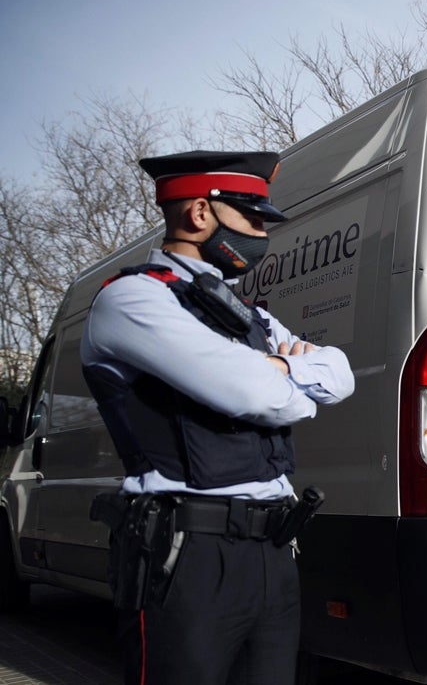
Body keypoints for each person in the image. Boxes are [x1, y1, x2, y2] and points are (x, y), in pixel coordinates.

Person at [80, 150, 355, 685]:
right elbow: (255, 394)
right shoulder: (134, 298)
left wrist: (270, 371)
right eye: (251, 217)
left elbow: (339, 374)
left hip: (272, 552)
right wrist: (285, 373)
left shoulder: (247, 313)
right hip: (187, 553)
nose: (261, 231)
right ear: (200, 214)